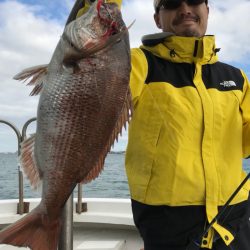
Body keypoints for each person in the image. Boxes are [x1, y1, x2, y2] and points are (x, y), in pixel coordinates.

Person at [124, 0, 250, 249]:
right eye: (171, 3)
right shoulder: (137, 64)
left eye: (194, 1)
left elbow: (245, 145)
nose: (185, 9)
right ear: (157, 19)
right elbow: (91, 57)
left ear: (207, 11)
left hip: (234, 217)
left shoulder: (237, 78)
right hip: (167, 221)